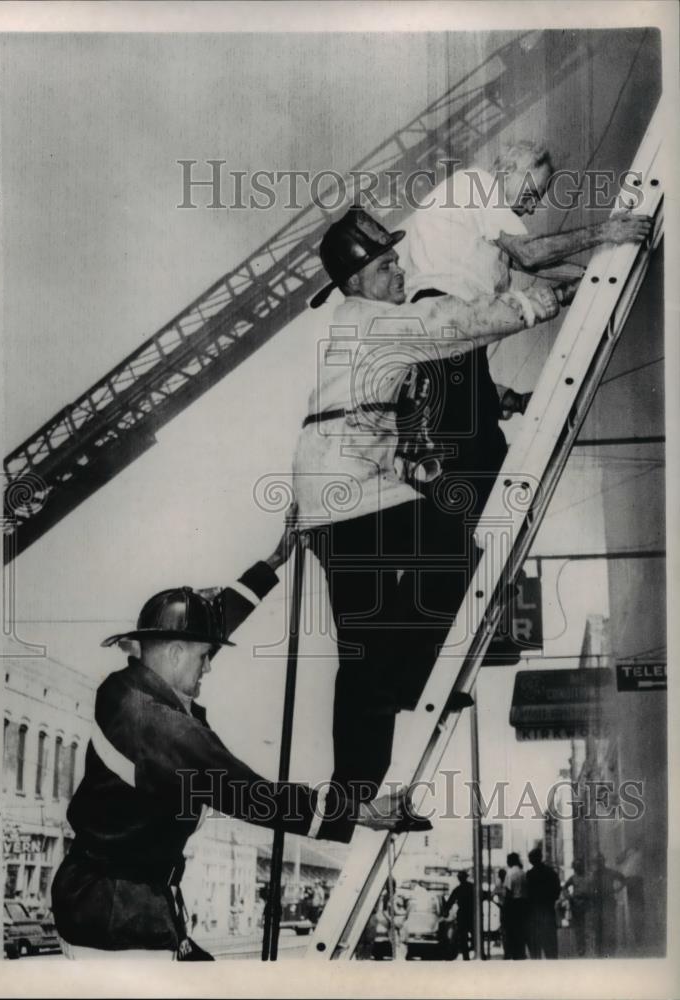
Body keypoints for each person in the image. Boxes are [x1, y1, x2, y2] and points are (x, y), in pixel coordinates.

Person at [295, 206, 572, 834]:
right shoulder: (378, 323)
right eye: (388, 264)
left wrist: (497, 402)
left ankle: (362, 779)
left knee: (369, 638)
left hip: (340, 491)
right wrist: (544, 300)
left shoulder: (362, 324)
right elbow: (453, 325)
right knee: (447, 552)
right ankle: (399, 692)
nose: (400, 271)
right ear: (357, 279)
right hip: (347, 495)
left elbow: (413, 386)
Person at [50, 515, 413, 960]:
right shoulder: (158, 725)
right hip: (115, 921)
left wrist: (275, 560)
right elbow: (251, 794)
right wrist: (356, 811)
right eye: (205, 657)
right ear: (177, 652)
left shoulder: (125, 688)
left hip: (107, 903)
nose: (209, 667)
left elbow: (207, 626)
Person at [394, 140, 653, 673]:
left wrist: (593, 279)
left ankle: (439, 634)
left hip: (454, 349)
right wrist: (609, 231)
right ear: (505, 171)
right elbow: (533, 258)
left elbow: (529, 283)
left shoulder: (479, 230)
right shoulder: (475, 186)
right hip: (447, 339)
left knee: (475, 476)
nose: (534, 205)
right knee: (470, 481)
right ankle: (426, 640)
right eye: (532, 192)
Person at [525, 846, 561, 959]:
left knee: (536, 950)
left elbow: (527, 894)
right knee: (551, 949)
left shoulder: (529, 875)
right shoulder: (551, 873)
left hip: (534, 914)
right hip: (548, 911)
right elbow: (557, 891)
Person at [442, 870, 474, 960]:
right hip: (472, 915)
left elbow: (450, 902)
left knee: (463, 938)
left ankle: (466, 956)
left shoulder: (458, 889)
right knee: (475, 935)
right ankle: (479, 954)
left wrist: (446, 911)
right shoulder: (472, 887)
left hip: (463, 915)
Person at [502, 852, 528, 959]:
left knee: (511, 931)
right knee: (521, 931)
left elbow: (508, 892)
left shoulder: (510, 873)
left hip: (513, 904)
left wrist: (505, 908)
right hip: (523, 904)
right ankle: (521, 953)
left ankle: (513, 953)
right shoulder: (523, 873)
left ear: (511, 861)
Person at [563, 859, 591, 957]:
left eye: (579, 866)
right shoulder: (573, 878)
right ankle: (580, 948)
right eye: (576, 866)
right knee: (579, 928)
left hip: (587, 903)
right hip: (576, 904)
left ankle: (590, 947)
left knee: (588, 925)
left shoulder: (589, 876)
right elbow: (564, 887)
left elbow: (594, 888)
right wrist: (568, 896)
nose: (577, 868)